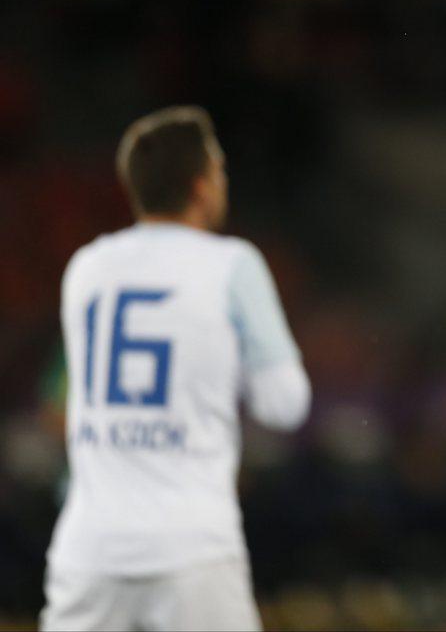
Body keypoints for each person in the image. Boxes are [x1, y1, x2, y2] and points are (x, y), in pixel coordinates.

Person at [41, 106, 311, 631]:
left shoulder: (86, 267)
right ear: (202, 184)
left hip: (88, 548)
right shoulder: (233, 265)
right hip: (191, 548)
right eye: (220, 170)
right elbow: (285, 404)